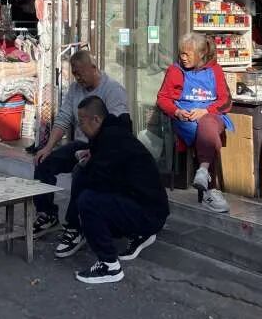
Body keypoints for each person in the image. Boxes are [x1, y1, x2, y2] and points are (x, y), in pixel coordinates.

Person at [68, 96, 169, 284]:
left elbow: (98, 180)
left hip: (149, 214)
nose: (80, 127)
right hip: (150, 208)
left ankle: (109, 265)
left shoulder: (111, 139)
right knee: (92, 194)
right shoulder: (111, 134)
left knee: (88, 200)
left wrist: (87, 165)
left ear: (96, 119)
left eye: (82, 121)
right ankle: (138, 234)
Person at [31, 49, 129, 237]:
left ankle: (75, 226)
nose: (78, 78)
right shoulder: (75, 89)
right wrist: (48, 147)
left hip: (106, 148)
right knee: (44, 161)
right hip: (81, 144)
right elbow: (63, 118)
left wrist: (95, 151)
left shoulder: (113, 90)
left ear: (93, 68)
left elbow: (118, 128)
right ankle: (47, 213)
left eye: (80, 73)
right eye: (74, 74)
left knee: (80, 171)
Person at [156, 32, 233, 213]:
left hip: (211, 114)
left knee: (207, 124)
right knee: (205, 132)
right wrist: (177, 111)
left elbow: (226, 100)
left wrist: (205, 111)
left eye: (187, 54)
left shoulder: (215, 70)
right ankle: (209, 188)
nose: (183, 58)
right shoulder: (175, 71)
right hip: (186, 118)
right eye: (181, 53)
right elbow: (162, 98)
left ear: (201, 54)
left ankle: (203, 172)